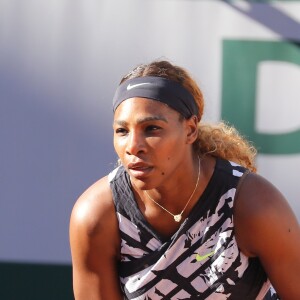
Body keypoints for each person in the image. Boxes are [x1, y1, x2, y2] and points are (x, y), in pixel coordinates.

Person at [69, 60, 300, 299]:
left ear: (190, 130)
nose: (133, 147)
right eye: (122, 131)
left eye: (152, 129)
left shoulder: (253, 203)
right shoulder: (96, 216)